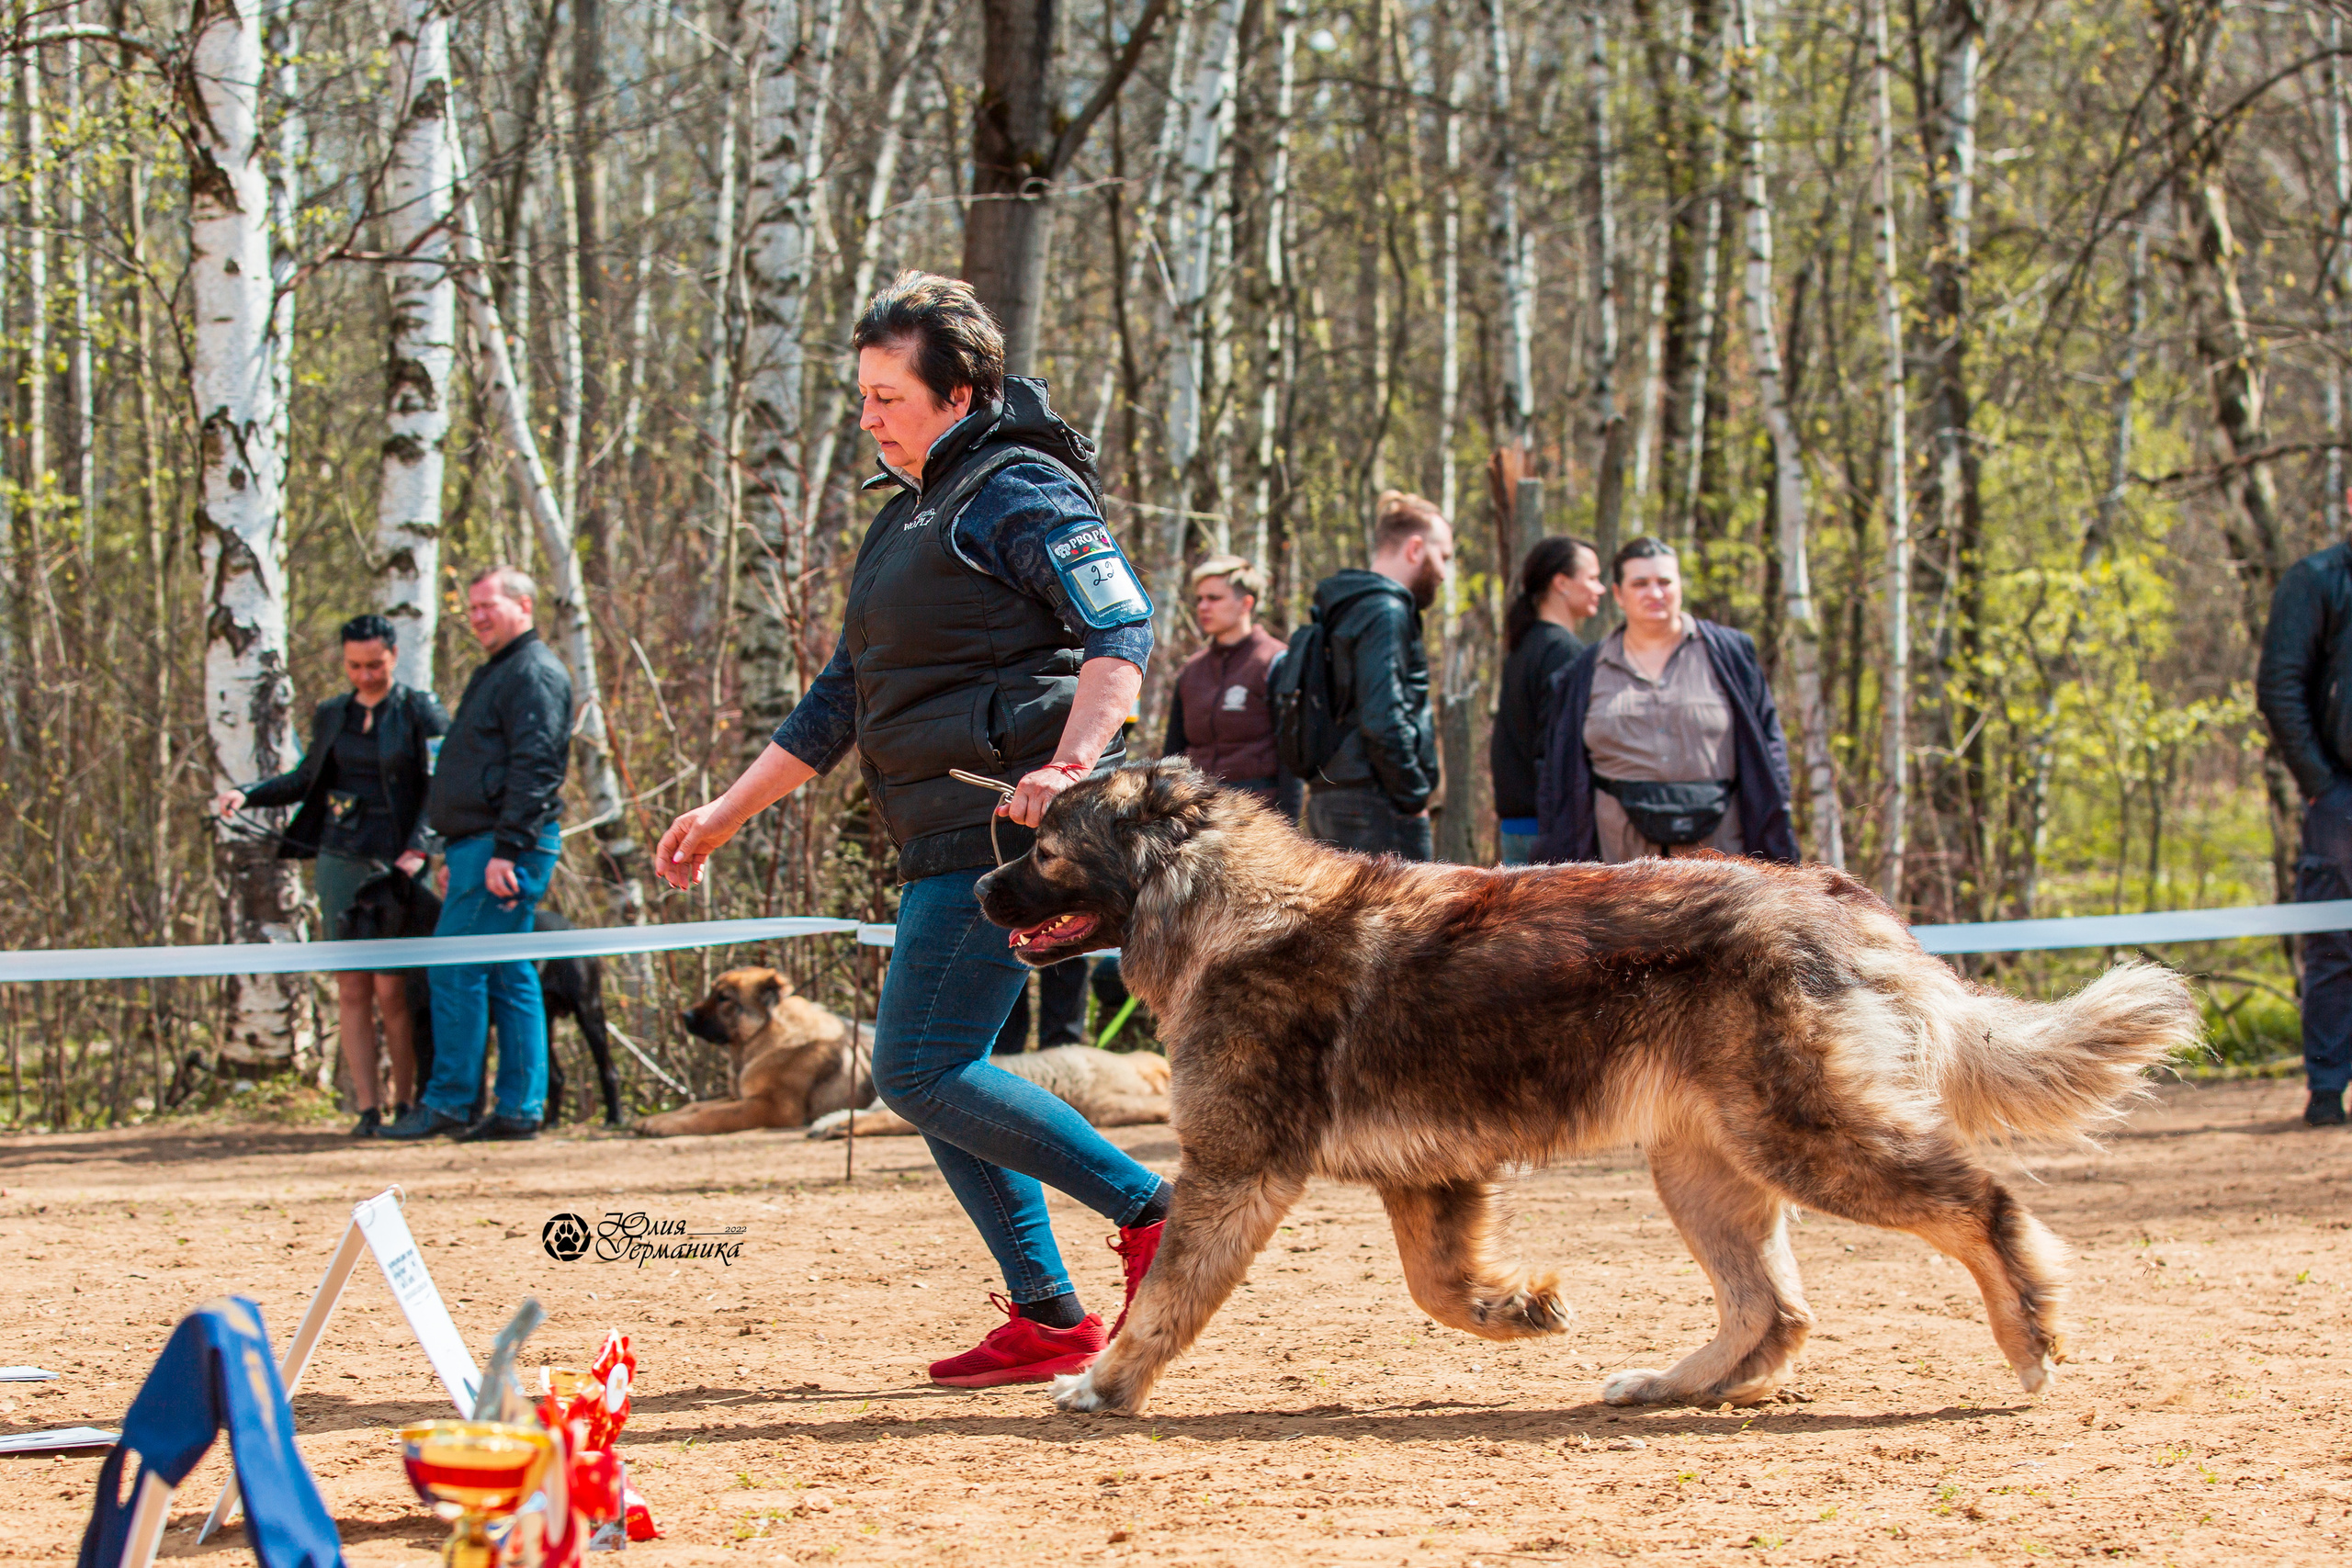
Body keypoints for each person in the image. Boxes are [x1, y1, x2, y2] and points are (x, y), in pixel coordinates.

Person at [653, 271, 1171, 1387]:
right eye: (863, 396)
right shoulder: (906, 519)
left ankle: (1153, 1216)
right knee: (940, 1069)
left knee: (919, 1069)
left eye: (889, 395)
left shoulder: (1017, 488)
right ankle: (1047, 1316)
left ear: (962, 393)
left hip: (1013, 832)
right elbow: (840, 698)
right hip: (938, 829)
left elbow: (1119, 623)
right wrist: (723, 814)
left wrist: (1071, 762)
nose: (868, 416)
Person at [213, 615, 447, 1136]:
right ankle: (366, 1108)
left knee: (394, 989)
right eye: (354, 666)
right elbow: (305, 778)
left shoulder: (419, 711)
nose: (364, 675)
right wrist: (247, 793)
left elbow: (440, 787)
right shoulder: (332, 714)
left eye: (375, 665)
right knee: (351, 990)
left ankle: (406, 1102)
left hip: (396, 867)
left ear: (393, 657)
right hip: (339, 858)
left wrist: (419, 849)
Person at [380, 566, 573, 1143]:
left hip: (503, 845)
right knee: (508, 971)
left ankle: (450, 1102)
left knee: (456, 967)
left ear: (524, 604)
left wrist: (507, 849)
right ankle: (517, 1108)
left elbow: (537, 766)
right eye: (471, 608)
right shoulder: (499, 671)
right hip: (478, 845)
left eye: (488, 604)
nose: (477, 616)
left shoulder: (533, 672)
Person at [1533, 536, 1799, 866]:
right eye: (1641, 583)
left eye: (1665, 582)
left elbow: (1770, 751)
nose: (1655, 594)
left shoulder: (1730, 655)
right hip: (1619, 870)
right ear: (1618, 593)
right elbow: (1557, 776)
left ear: (1680, 587)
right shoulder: (1582, 674)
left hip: (1722, 871)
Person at [2256, 543, 2352, 1127]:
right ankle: (2327, 1089)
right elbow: (2280, 684)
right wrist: (2322, 784)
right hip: (2341, 798)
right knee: (2334, 943)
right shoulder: (2317, 580)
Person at [1300, 491, 1452, 860]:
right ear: (1415, 548)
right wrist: (1414, 797)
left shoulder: (1344, 606)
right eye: (1442, 557)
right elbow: (1383, 717)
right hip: (1377, 803)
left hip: (1330, 796)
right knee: (1414, 919)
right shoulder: (1385, 610)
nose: (1445, 573)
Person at [1490, 536, 1603, 865]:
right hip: (1547, 829)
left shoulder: (1526, 644)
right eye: (1593, 578)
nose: (1601, 589)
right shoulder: (1562, 651)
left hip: (1519, 824)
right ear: (1562, 584)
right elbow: (1557, 750)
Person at [1164, 553, 1300, 819]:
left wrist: (1290, 828)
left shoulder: (1275, 662)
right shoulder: (1191, 671)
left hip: (1257, 820)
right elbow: (1172, 754)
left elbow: (1291, 761)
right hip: (1197, 818)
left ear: (1245, 603)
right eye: (1200, 599)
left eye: (1214, 598)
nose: (1203, 606)